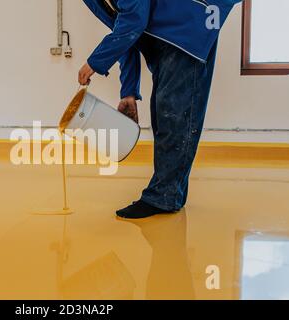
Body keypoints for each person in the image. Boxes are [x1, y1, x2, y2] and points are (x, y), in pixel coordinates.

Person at [79, 0, 242, 219]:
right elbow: (125, 33)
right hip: (168, 34)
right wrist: (128, 92)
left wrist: (95, 62)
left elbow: (134, 21)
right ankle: (169, 193)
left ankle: (163, 197)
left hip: (186, 27)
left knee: (174, 116)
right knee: (164, 115)